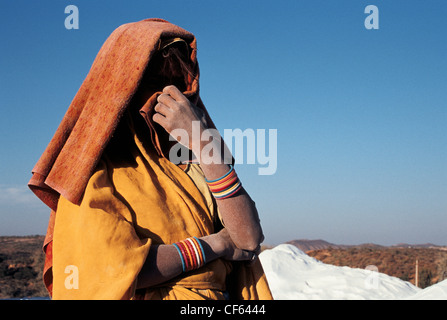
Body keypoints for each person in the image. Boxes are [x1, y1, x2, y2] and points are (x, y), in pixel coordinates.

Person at [28, 18, 272, 300]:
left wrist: (204, 143)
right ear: (118, 86)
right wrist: (215, 245)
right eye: (152, 81)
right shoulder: (95, 173)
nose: (166, 96)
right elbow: (111, 270)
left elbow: (249, 239)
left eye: (177, 84)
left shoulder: (193, 163)